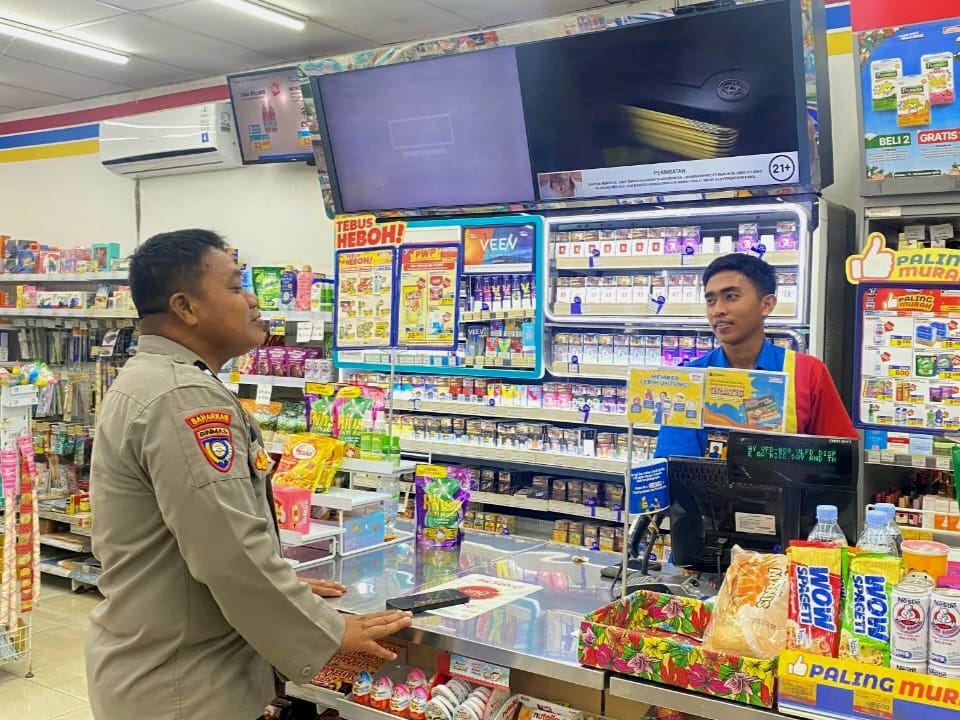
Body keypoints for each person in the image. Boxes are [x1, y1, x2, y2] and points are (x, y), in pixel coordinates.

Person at [86, 230, 412, 720]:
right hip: (182, 689)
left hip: (164, 668)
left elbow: (199, 539)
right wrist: (328, 631)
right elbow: (229, 552)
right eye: (237, 287)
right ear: (185, 307)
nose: (254, 300)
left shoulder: (156, 379)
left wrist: (285, 589)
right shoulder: (182, 398)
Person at [655, 253, 858, 458]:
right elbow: (674, 462)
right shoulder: (689, 379)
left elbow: (840, 456)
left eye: (731, 297)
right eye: (710, 300)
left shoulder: (808, 372)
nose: (718, 310)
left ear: (766, 305)